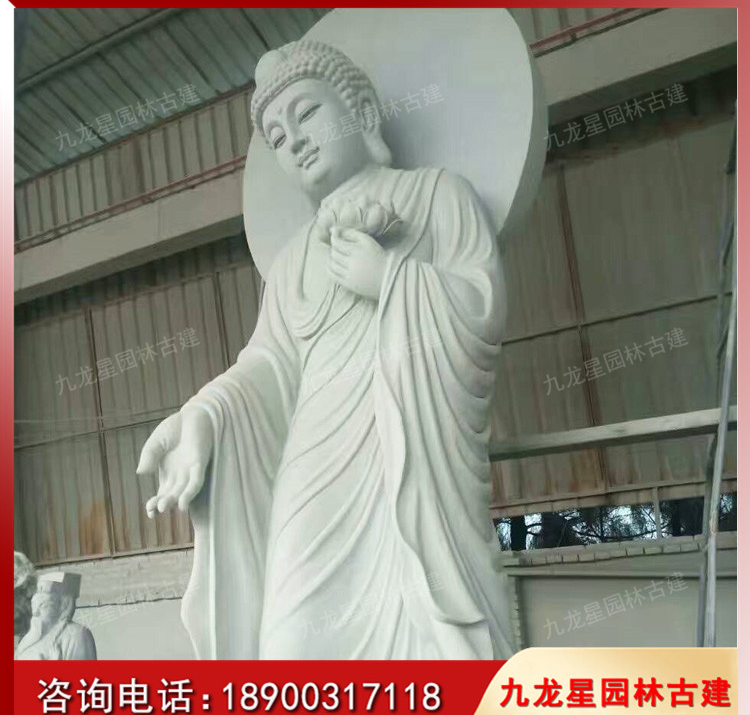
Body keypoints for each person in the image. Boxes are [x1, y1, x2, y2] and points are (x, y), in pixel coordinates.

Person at [137, 40, 515, 660]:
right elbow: (268, 366)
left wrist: (390, 279)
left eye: (308, 114)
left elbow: (481, 308)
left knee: (427, 640)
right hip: (313, 476)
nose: (296, 142)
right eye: (278, 138)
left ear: (360, 112)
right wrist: (205, 414)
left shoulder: (437, 196)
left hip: (409, 458)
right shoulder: (290, 264)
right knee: (291, 646)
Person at [16, 572, 96, 660]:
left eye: (43, 606)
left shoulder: (77, 634)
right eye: (34, 605)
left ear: (63, 605)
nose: (36, 613)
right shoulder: (27, 639)